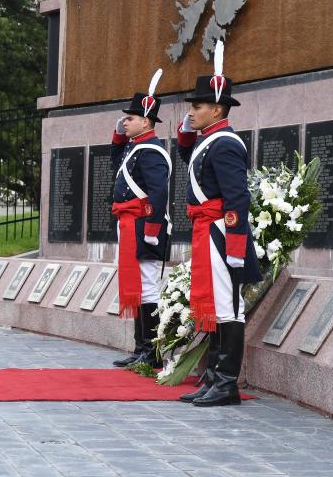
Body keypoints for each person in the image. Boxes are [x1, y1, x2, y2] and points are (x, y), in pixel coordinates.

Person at [176, 41, 261, 407]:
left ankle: (226, 383)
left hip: (221, 232)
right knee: (214, 306)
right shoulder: (208, 141)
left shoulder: (225, 143)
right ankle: (213, 378)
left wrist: (236, 245)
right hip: (206, 230)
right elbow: (188, 156)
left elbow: (237, 198)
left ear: (217, 108)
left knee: (228, 307)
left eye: (196, 107)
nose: (191, 112)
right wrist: (186, 127)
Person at [110, 70, 171, 369]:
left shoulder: (151, 152)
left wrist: (151, 230)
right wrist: (118, 135)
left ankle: (153, 351)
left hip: (144, 226)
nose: (125, 121)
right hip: (129, 224)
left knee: (148, 287)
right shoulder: (134, 148)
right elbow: (116, 162)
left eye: (130, 118)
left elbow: (158, 194)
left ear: (145, 121)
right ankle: (140, 347)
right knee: (137, 285)